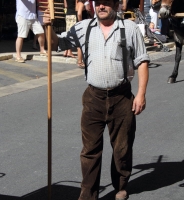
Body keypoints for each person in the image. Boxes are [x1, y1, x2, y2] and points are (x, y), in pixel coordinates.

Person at [44, 0, 149, 199]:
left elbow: (142, 61)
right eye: (99, 2)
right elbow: (57, 44)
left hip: (122, 97)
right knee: (90, 150)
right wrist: (47, 27)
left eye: (107, 3)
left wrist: (141, 93)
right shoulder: (83, 27)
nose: (102, 6)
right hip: (94, 97)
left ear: (116, 5)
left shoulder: (129, 27)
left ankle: (120, 186)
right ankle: (88, 194)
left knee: (122, 148)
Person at [76, 0, 92, 68]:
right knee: (81, 43)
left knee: (80, 43)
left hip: (80, 24)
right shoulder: (81, 4)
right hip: (82, 25)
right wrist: (81, 23)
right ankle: (80, 61)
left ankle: (80, 61)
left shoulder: (78, 3)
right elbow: (79, 14)